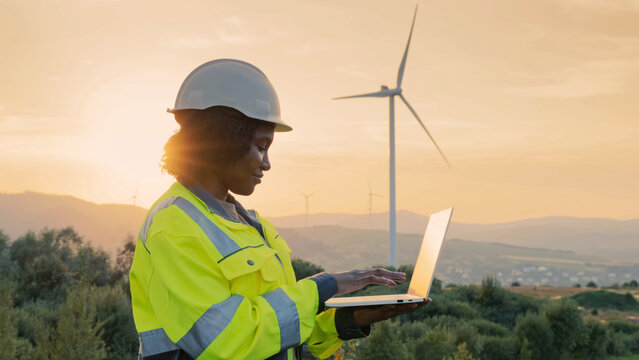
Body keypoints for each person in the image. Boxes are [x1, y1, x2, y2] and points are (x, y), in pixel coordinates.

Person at [129, 59, 429, 360]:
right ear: (222, 141)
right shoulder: (174, 225)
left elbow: (280, 334)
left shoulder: (253, 227)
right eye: (261, 146)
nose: (267, 163)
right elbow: (228, 342)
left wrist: (352, 319)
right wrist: (324, 285)